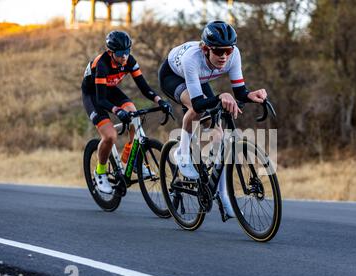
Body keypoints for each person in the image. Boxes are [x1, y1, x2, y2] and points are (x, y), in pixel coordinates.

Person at [158, 21, 267, 217]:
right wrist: (220, 96)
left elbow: (240, 91)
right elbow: (198, 103)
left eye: (228, 50)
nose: (224, 56)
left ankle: (223, 195)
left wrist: (251, 95)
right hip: (173, 76)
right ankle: (182, 154)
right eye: (219, 51)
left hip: (200, 79)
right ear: (205, 49)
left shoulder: (234, 56)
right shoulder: (193, 58)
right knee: (196, 110)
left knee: (218, 135)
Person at [82, 30, 172, 194]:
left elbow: (144, 87)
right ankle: (100, 172)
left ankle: (131, 160)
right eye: (120, 53)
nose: (124, 56)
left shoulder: (129, 61)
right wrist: (117, 111)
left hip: (110, 90)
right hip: (93, 95)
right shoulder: (101, 65)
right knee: (110, 136)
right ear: (110, 52)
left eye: (127, 52)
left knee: (133, 114)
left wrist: (160, 101)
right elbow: (101, 100)